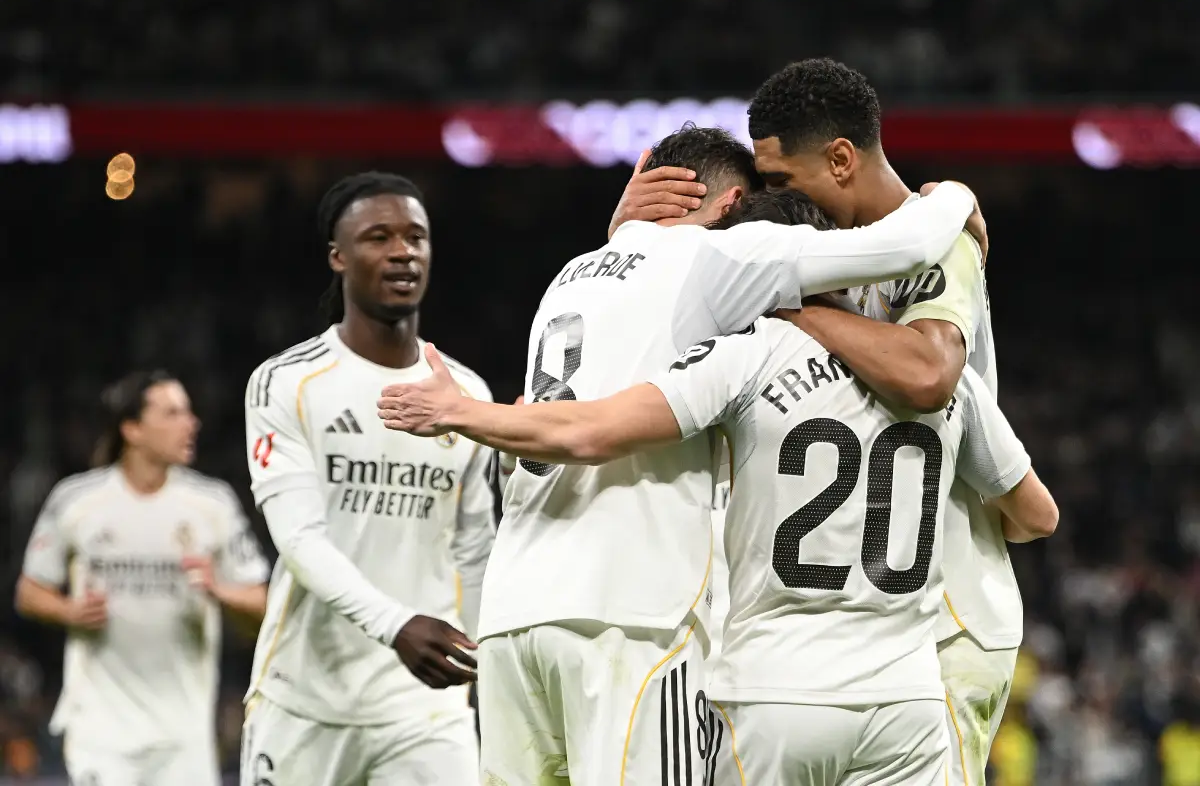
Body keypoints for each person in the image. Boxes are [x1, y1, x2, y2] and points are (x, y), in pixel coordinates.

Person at [373, 192, 1057, 785]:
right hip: (905, 694)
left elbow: (596, 428)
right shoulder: (944, 379)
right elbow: (1035, 515)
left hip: (774, 688)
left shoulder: (746, 356)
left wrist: (474, 414)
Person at [612, 58, 1020, 785]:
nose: (766, 201)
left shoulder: (936, 246)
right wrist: (625, 235)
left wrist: (792, 304)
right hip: (855, 626)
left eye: (778, 181)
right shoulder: (827, 251)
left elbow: (929, 374)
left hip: (941, 619)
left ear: (839, 159)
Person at [240, 171, 496, 786]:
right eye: (378, 237)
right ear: (338, 255)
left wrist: (492, 656)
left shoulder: (464, 393)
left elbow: (474, 548)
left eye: (416, 237)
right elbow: (299, 541)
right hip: (305, 702)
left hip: (426, 709)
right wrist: (396, 626)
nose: (403, 251)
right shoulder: (287, 382)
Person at [15, 370, 269, 786]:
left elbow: (262, 603)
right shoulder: (77, 500)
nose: (192, 423)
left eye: (188, 412)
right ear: (132, 429)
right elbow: (29, 592)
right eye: (172, 413)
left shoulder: (213, 503)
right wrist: (69, 610)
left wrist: (218, 590)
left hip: (183, 735)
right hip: (101, 729)